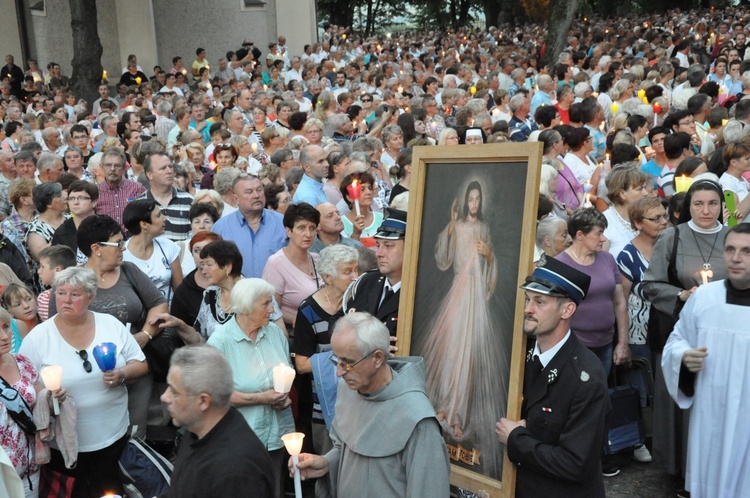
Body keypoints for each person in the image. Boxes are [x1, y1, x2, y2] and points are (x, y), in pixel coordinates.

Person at [290, 312, 450, 497]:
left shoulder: (418, 419)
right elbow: (345, 448)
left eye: (348, 363)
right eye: (336, 360)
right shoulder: (347, 390)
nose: (339, 373)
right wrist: (326, 463)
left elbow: (429, 491)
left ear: (378, 358)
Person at [20, 267, 148, 498]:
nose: (66, 300)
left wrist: (121, 374)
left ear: (91, 296)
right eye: (61, 293)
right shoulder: (39, 338)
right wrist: (47, 397)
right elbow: (28, 386)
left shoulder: (110, 325)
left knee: (111, 493)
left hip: (112, 439)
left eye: (75, 294)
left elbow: (141, 364)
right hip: (65, 447)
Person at [496, 256, 609, 497]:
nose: (528, 309)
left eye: (540, 302)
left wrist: (516, 439)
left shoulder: (586, 377)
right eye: (527, 300)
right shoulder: (518, 356)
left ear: (567, 310)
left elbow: (575, 463)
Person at [416, 180, 506, 475]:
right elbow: (443, 257)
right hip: (458, 293)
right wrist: (452, 224)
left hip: (476, 299)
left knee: (469, 356)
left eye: (478, 199)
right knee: (451, 349)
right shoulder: (457, 225)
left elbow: (491, 265)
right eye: (471, 198)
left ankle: (460, 413)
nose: (474, 204)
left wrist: (489, 254)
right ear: (465, 200)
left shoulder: (484, 230)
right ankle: (445, 405)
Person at [642, 179, 729, 481]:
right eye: (698, 204)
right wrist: (681, 295)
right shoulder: (672, 237)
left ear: (723, 206)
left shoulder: (735, 238)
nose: (706, 210)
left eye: (713, 203)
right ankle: (681, 468)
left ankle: (719, 467)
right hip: (680, 331)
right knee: (682, 398)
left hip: (723, 333)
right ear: (687, 207)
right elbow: (650, 284)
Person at [661, 223, 750, 497]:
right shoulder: (704, 298)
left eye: (746, 251)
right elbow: (676, 342)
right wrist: (684, 357)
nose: (736, 258)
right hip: (710, 416)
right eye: (730, 249)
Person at [206, 278, 294, 497]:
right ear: (245, 307)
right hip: (239, 439)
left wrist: (284, 396)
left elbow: (287, 373)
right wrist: (261, 398)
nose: (272, 310)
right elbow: (214, 397)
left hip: (276, 433)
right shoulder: (220, 342)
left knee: (273, 489)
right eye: (265, 304)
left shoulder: (274, 334)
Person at [161, 345, 275, 498]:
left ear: (203, 401)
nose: (164, 397)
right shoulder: (197, 428)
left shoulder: (237, 472)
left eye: (174, 392)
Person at [292, 244, 359, 454]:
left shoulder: (361, 301)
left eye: (356, 270)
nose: (355, 277)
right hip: (324, 403)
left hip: (360, 399)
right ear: (328, 277)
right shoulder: (308, 310)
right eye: (348, 271)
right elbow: (302, 364)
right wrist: (346, 359)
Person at [0, 305, 51, 497]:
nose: (5, 336)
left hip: (30, 471)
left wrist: (54, 397)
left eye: (6, 327)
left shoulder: (21, 361)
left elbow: (41, 401)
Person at [340, 208, 405, 337]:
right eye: (378, 245)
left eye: (388, 246)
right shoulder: (367, 281)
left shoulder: (420, 292)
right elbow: (337, 322)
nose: (379, 253)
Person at [211, 173, 287, 278]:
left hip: (275, 292)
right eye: (249, 192)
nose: (256, 195)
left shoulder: (283, 223)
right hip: (237, 293)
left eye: (259, 190)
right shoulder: (221, 228)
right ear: (236, 198)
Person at [262, 203, 322, 333]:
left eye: (312, 228)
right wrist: (297, 318)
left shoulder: (317, 259)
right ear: (288, 231)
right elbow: (271, 307)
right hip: (294, 335)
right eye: (301, 228)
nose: (308, 234)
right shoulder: (276, 263)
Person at [122, 199, 183, 304]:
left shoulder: (168, 246)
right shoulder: (122, 254)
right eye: (158, 215)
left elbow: (180, 291)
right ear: (144, 224)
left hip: (168, 314)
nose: (165, 219)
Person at [135, 153, 194, 242]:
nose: (169, 171)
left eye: (170, 167)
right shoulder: (139, 205)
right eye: (163, 168)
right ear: (149, 174)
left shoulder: (189, 200)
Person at [170, 231, 222, 330]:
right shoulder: (183, 291)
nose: (202, 256)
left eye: (208, 250)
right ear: (191, 253)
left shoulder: (233, 281)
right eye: (197, 251)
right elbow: (178, 332)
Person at [602, 164, 652, 256]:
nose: (645, 193)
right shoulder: (605, 222)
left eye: (645, 188)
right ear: (622, 193)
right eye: (639, 189)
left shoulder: (649, 216)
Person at [96, 148, 147, 233]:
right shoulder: (95, 192)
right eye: (108, 165)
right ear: (101, 167)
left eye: (117, 165)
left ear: (124, 168)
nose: (112, 169)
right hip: (106, 242)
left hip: (133, 240)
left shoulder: (137, 188)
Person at [51, 180, 99, 264]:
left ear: (94, 202)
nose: (75, 202)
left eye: (81, 198)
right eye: (71, 198)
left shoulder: (107, 227)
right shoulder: (62, 232)